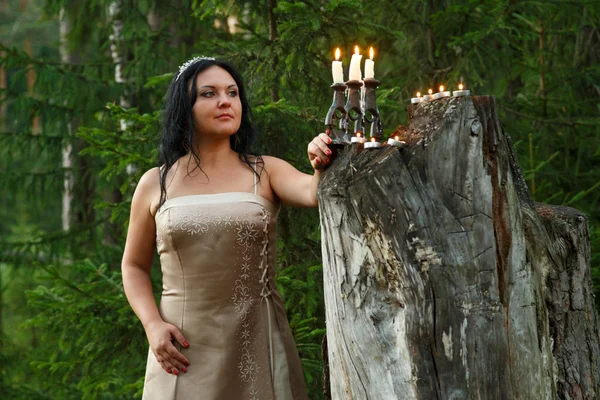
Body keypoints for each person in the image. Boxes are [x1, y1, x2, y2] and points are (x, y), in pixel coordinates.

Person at [121, 56, 332, 400]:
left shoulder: (266, 171)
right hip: (181, 348)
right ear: (184, 108)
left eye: (232, 93)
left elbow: (314, 192)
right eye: (209, 93)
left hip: (258, 339)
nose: (224, 101)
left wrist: (319, 158)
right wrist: (152, 324)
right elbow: (133, 266)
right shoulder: (154, 183)